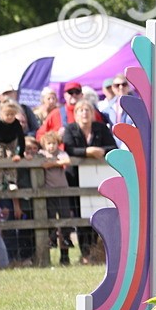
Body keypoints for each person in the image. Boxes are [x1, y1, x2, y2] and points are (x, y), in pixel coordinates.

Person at [62, 100, 116, 264]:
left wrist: (100, 151)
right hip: (75, 178)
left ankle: (97, 251)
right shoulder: (70, 129)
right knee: (80, 215)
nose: (84, 113)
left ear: (92, 113)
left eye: (87, 110)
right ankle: (85, 253)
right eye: (80, 110)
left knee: (97, 213)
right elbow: (69, 148)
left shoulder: (101, 128)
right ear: (75, 114)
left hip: (96, 178)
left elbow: (112, 147)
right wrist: (88, 151)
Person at [37, 131, 76, 266]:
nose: (51, 147)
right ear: (44, 145)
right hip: (49, 191)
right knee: (51, 216)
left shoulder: (60, 153)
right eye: (49, 144)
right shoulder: (42, 154)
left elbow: (67, 161)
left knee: (65, 216)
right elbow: (43, 164)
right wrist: (56, 163)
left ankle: (66, 240)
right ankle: (52, 239)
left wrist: (53, 162)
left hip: (62, 190)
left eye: (54, 144)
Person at [37, 81, 102, 141]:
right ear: (65, 95)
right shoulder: (55, 114)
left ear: (82, 95)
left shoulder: (92, 113)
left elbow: (103, 133)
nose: (74, 95)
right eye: (70, 92)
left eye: (77, 92)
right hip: (64, 152)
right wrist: (55, 136)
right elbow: (39, 136)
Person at [0, 99, 24, 191]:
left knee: (11, 158)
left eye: (12, 115)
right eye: (7, 115)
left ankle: (12, 181)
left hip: (11, 140)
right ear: (1, 114)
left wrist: (20, 154)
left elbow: (21, 139)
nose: (10, 117)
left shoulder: (16, 123)